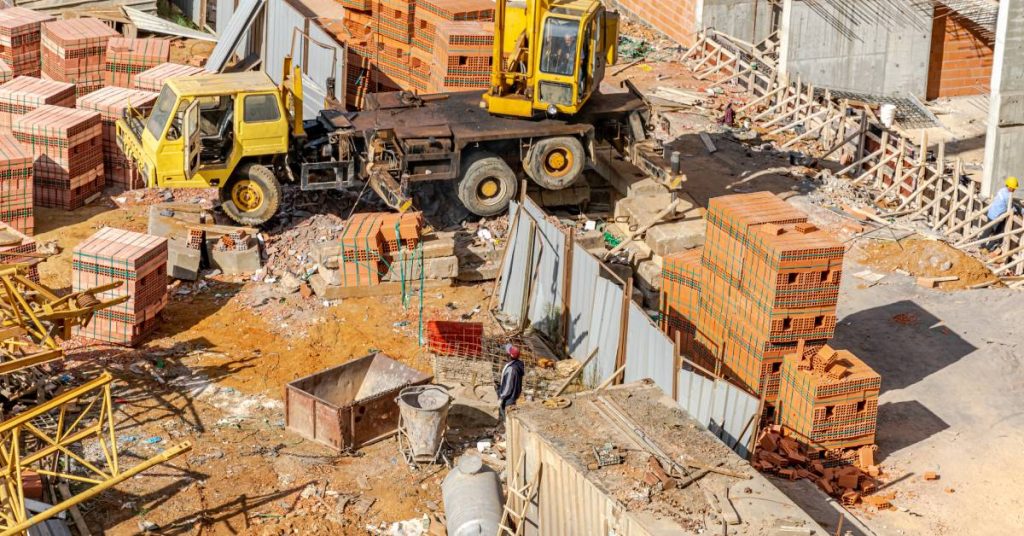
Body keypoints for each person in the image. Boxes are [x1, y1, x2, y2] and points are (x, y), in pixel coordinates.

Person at [980, 176, 1018, 252]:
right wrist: (1017, 210)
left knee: (987, 231)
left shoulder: (1002, 190)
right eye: (1014, 188)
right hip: (996, 217)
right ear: (1010, 187)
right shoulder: (1007, 196)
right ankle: (986, 248)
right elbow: (1011, 207)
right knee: (999, 234)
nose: (1014, 190)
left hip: (991, 213)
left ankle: (981, 245)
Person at [496, 344, 524, 423]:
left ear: (509, 355)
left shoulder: (511, 369)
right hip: (513, 395)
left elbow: (508, 386)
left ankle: (506, 429)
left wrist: (502, 397)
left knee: (506, 415)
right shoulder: (518, 364)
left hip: (508, 397)